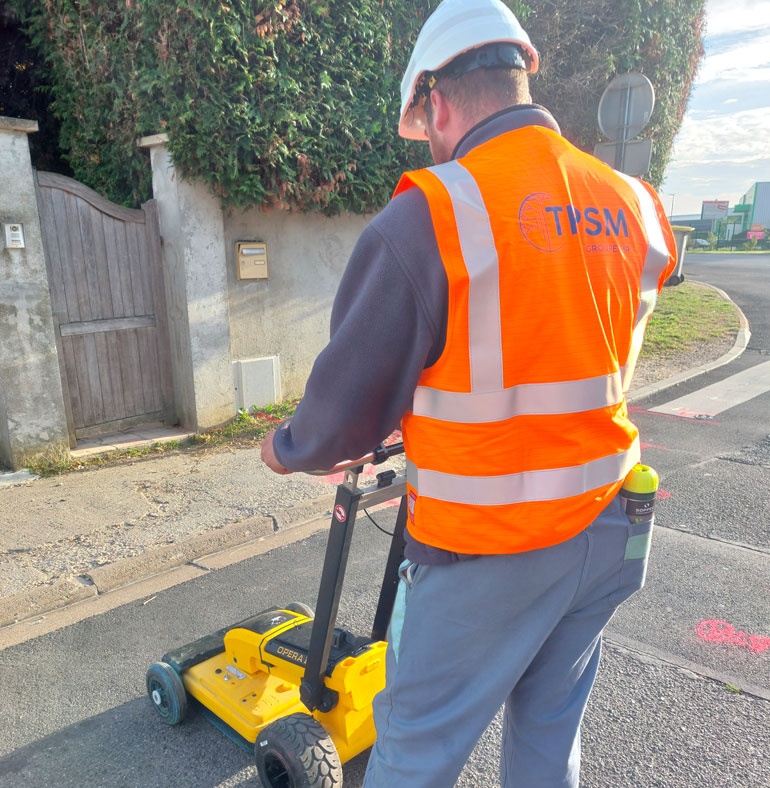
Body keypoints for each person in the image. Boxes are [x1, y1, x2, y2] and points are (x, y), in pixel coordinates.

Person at [262, 0, 677, 784]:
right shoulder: (629, 199)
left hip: (491, 547)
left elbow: (340, 417)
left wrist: (284, 449)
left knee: (415, 755)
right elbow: (575, 331)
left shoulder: (432, 212)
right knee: (549, 741)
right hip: (612, 522)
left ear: (438, 102)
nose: (435, 146)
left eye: (429, 128)